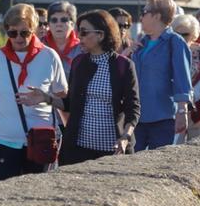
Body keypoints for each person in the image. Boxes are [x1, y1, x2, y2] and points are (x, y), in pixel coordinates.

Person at [0, 4, 68, 181]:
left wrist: (46, 99)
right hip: (1, 140)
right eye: (13, 33)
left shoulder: (49, 57)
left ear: (33, 30)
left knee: (33, 200)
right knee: (2, 200)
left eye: (24, 33)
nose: (18, 38)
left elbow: (63, 98)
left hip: (40, 141)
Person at [58, 10, 140, 165]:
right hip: (77, 150)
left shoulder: (124, 65)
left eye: (83, 32)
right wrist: (46, 98)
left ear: (101, 35)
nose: (79, 37)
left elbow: (133, 108)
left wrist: (125, 137)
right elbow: (70, 104)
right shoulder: (78, 62)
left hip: (113, 150)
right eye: (78, 31)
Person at [130, 0, 192, 150]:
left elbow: (182, 78)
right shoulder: (141, 43)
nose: (141, 17)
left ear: (156, 16)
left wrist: (182, 111)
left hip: (162, 117)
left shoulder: (175, 42)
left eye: (144, 12)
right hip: (138, 117)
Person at [45, 1, 83, 75]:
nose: (59, 24)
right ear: (49, 25)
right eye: (54, 20)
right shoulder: (39, 46)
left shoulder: (82, 48)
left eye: (64, 20)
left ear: (72, 24)